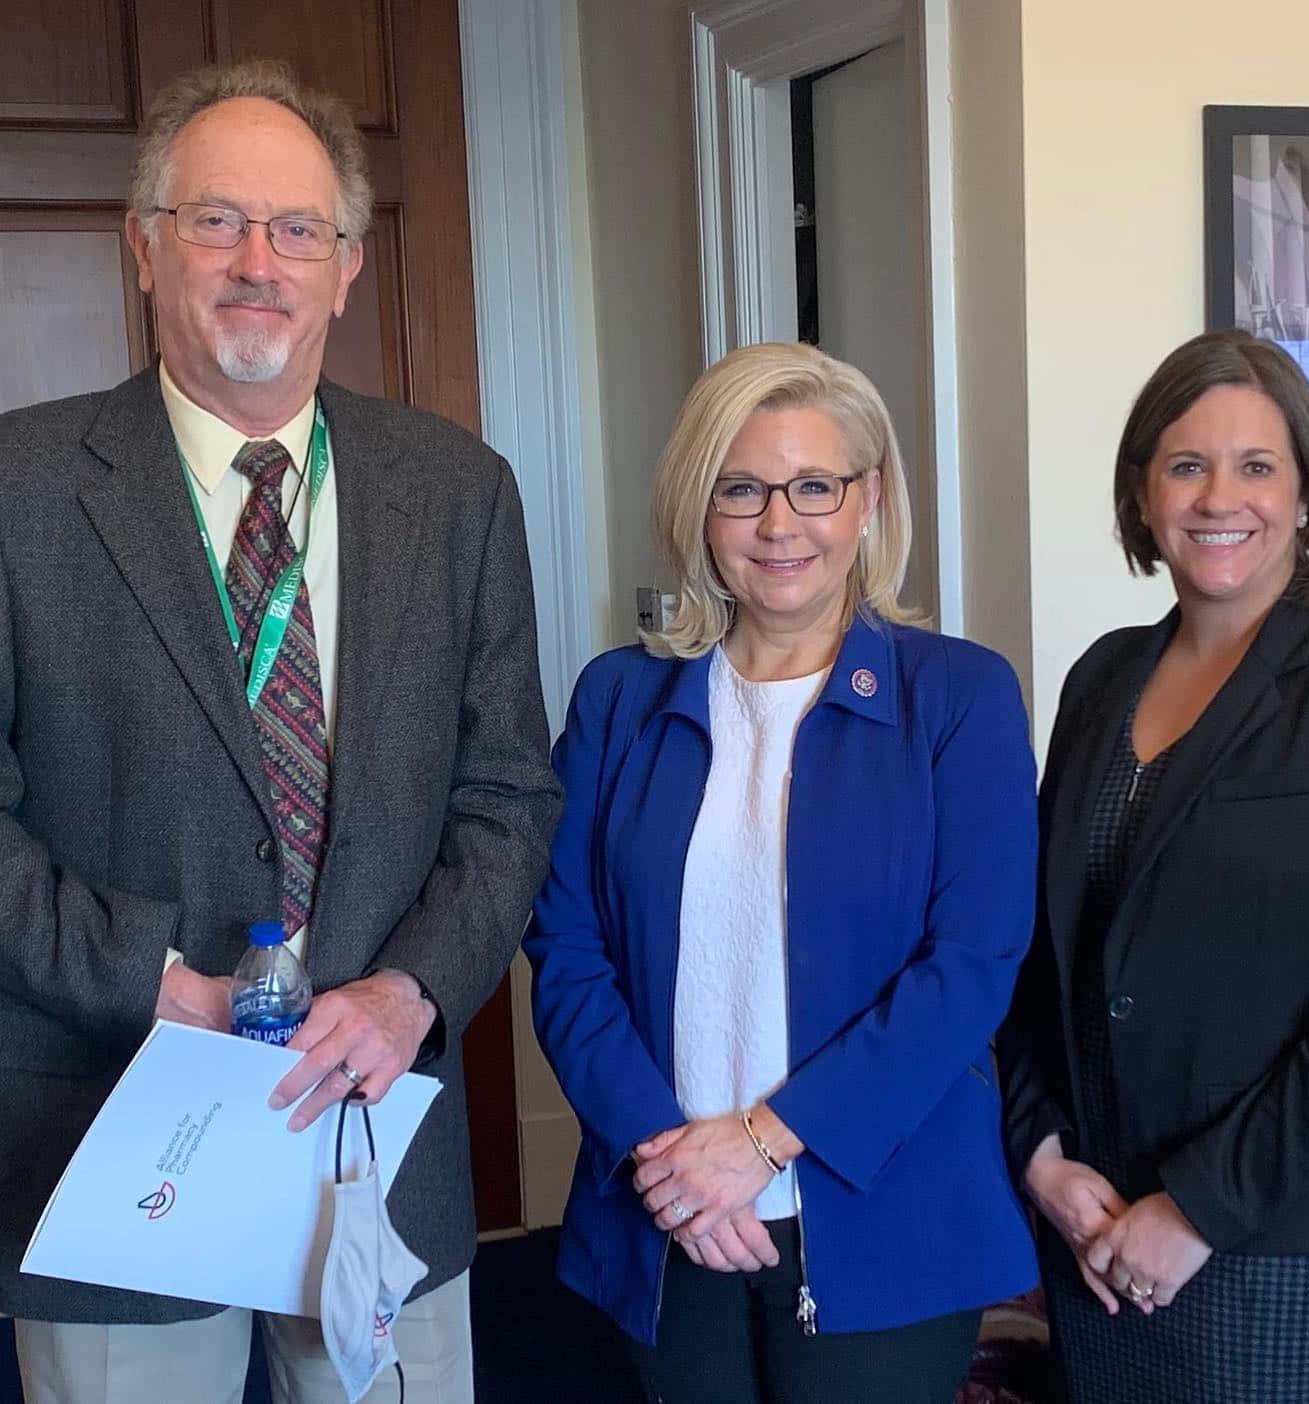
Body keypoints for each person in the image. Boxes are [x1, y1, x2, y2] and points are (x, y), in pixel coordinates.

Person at [0, 60, 560, 1402]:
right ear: (146, 246)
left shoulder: (459, 492)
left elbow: (508, 795)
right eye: (216, 222)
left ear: (349, 266)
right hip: (116, 1123)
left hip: (373, 1125)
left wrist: (409, 990)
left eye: (298, 228)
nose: (260, 262)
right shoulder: (18, 489)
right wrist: (155, 986)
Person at [525, 342, 1039, 1404]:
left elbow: (973, 964)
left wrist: (761, 1143)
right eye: (741, 489)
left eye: (814, 485)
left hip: (884, 1218)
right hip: (668, 1215)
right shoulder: (620, 700)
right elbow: (565, 947)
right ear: (696, 508)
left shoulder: (958, 697)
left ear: (869, 499)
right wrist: (670, 1162)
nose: (778, 523)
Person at [997, 328, 1309, 1403]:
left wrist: (1196, 1207)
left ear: (1306, 499)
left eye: (1256, 467)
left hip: (1294, 1233)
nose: (1217, 498)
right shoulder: (1102, 679)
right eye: (1186, 465)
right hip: (1098, 1223)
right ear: (1143, 494)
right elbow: (1038, 954)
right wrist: (1040, 1154)